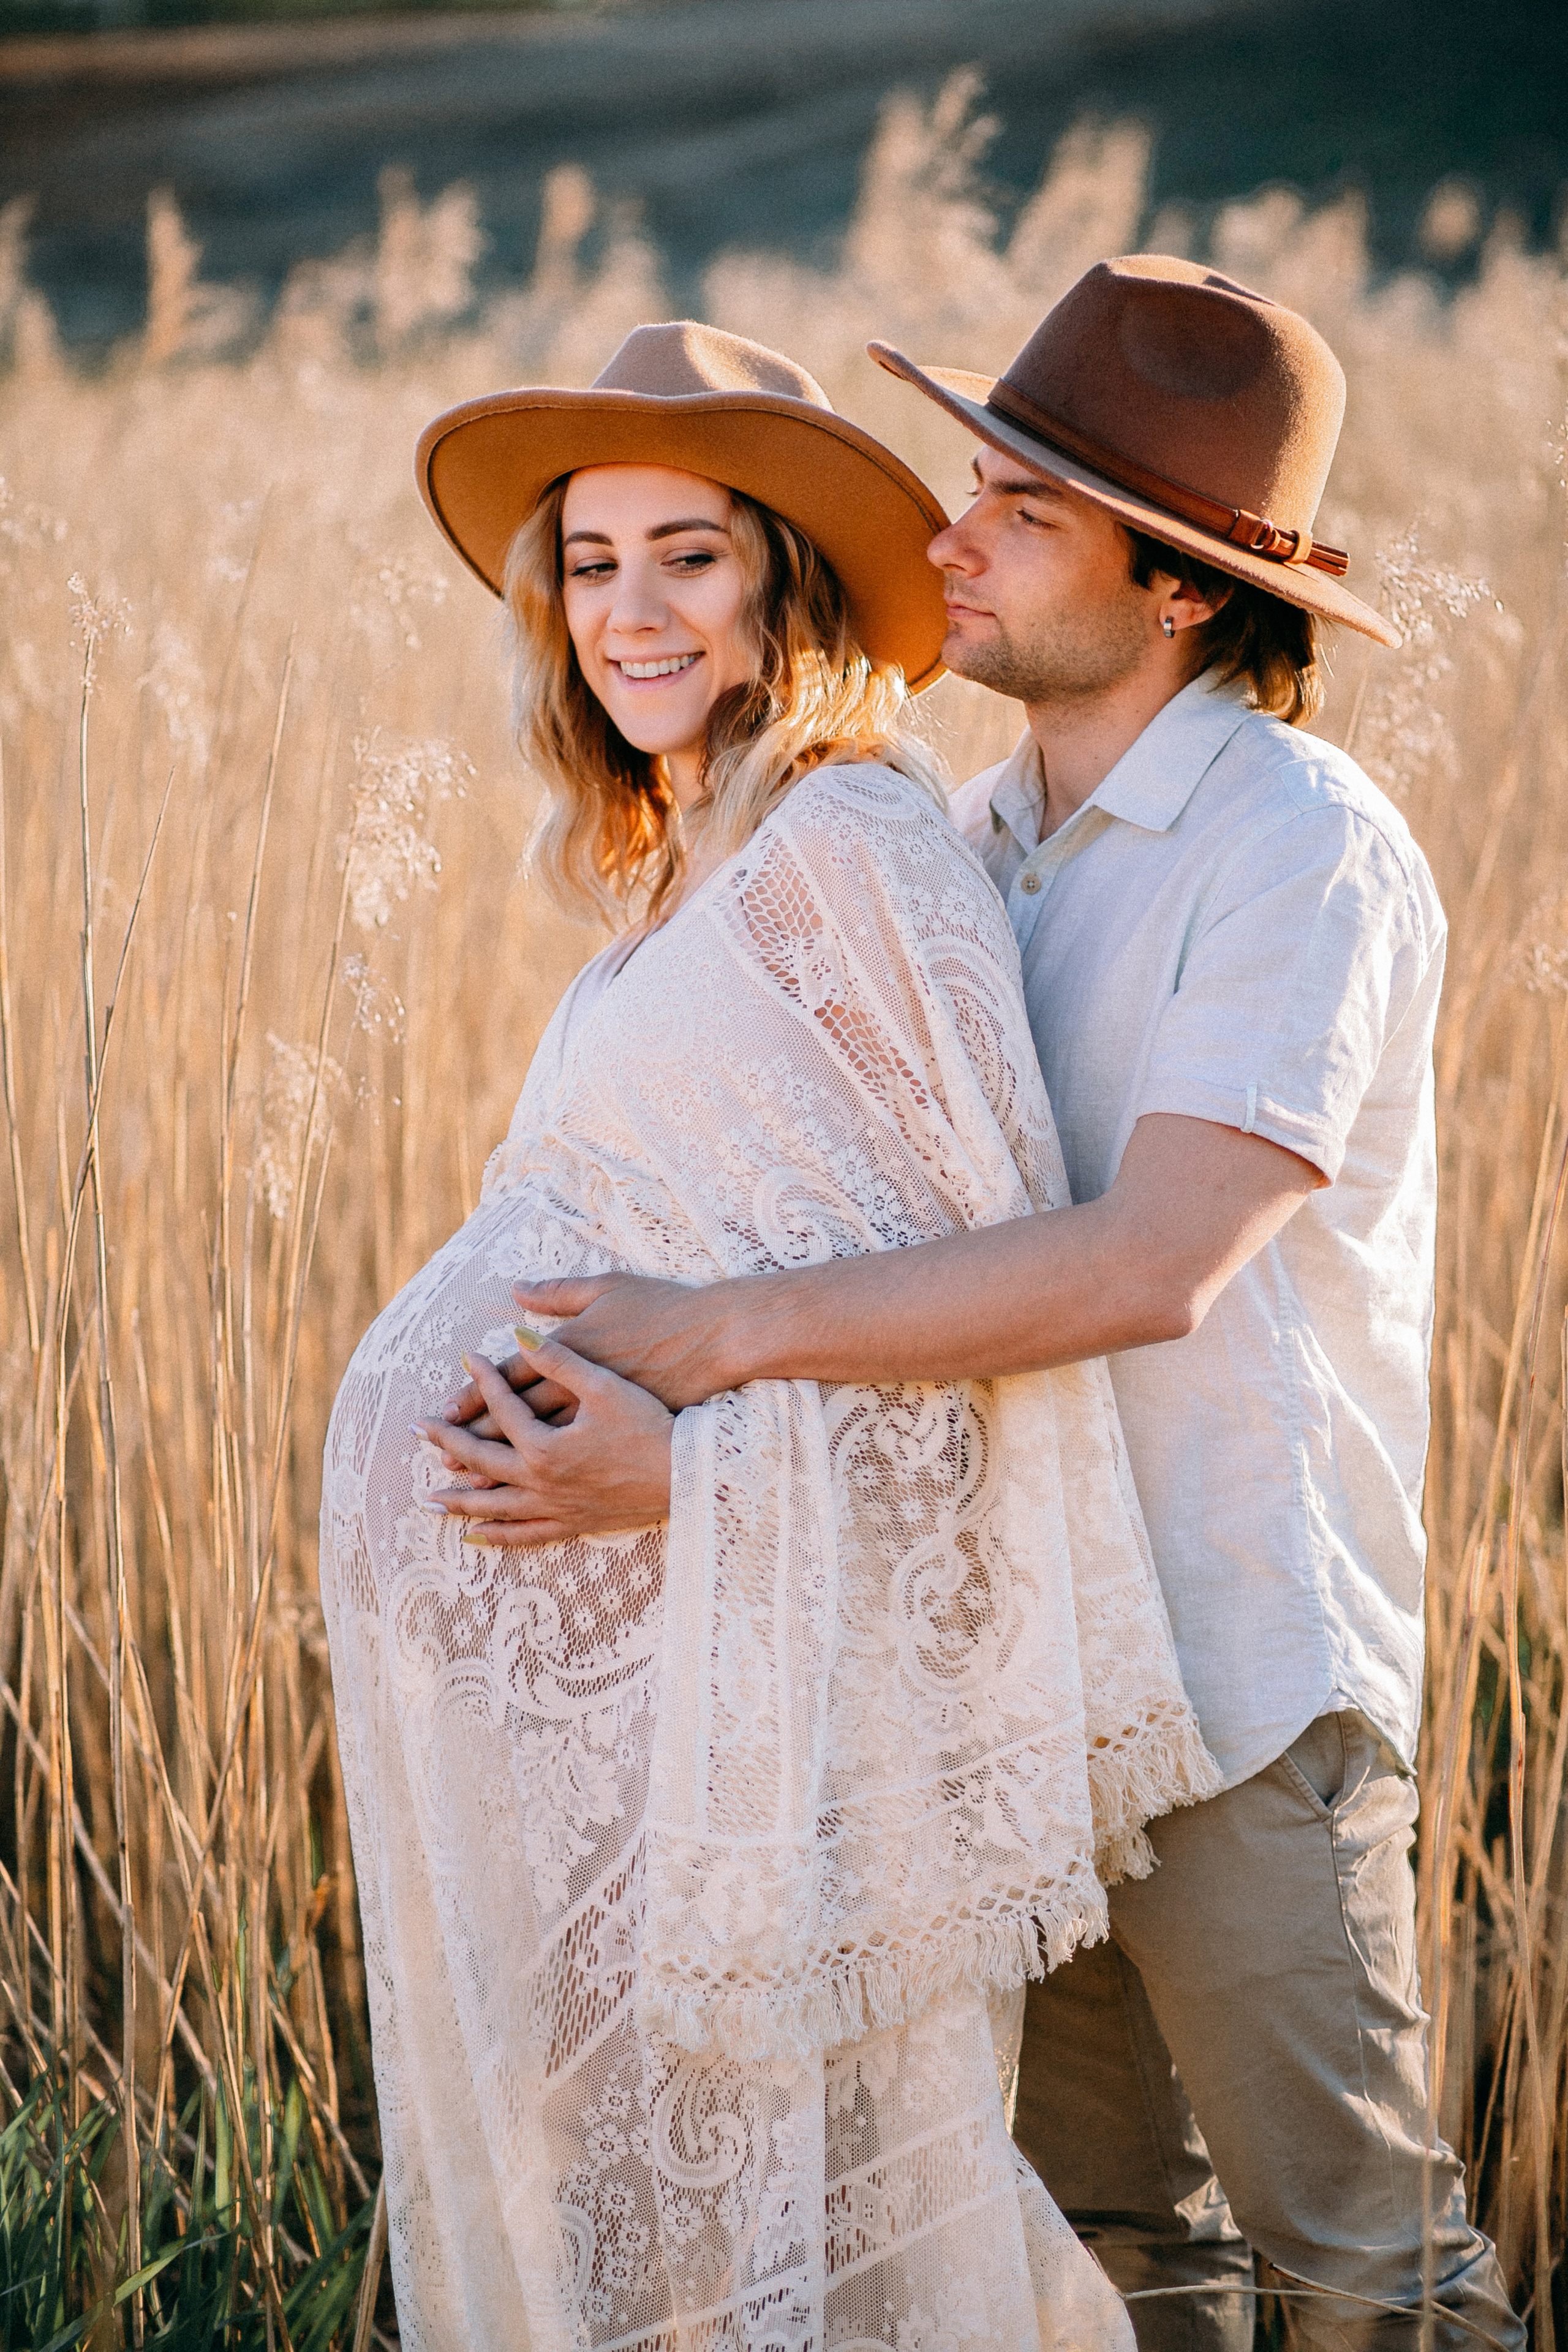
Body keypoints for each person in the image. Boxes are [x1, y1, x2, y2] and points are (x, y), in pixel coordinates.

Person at [445, 263, 1526, 2352]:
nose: (948, 540)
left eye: (1020, 509)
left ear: (1185, 587)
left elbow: (1155, 1262)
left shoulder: (1295, 846)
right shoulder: (961, 839)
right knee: (1127, 2258)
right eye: (971, 484)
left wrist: (719, 1342)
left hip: (1228, 1665)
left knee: (1367, 2270)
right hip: (1006, 1666)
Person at [319, 318, 1219, 2352]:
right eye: (592, 559)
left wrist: (691, 1465)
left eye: (690, 555)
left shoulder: (851, 852)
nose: (628, 608)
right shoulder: (684, 876)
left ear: (786, 581)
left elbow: (1004, 1351)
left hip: (743, 1712)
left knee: (794, 2267)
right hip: (623, 1727)